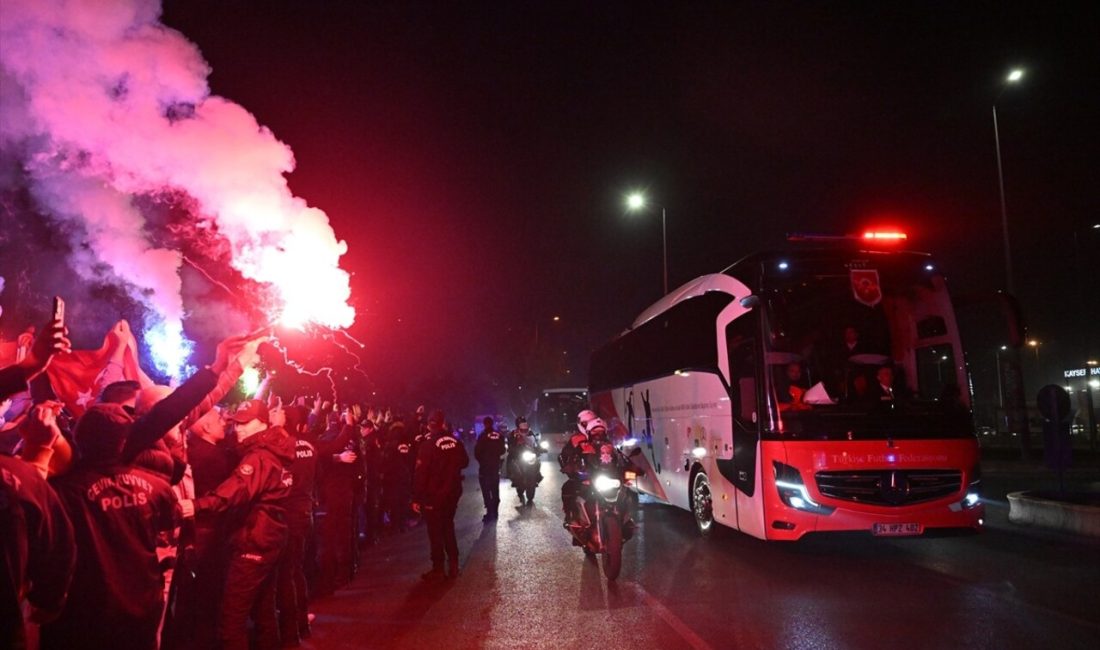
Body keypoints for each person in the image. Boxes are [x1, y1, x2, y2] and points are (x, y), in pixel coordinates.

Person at [41, 404, 179, 650]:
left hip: (84, 611)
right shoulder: (159, 488)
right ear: (123, 442)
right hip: (141, 607)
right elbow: (170, 526)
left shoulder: (62, 491)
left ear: (79, 437)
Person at [178, 399, 296, 650]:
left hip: (254, 540)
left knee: (231, 617)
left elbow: (236, 491)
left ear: (262, 424)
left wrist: (196, 505)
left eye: (245, 423)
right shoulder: (276, 449)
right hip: (270, 537)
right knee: (264, 610)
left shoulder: (258, 458)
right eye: (236, 423)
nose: (238, 429)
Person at [411, 410, 469, 581]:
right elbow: (464, 462)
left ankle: (438, 568)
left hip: (434, 496)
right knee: (448, 527)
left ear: (430, 425)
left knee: (435, 532)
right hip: (453, 493)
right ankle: (453, 564)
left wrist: (416, 498)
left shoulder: (427, 445)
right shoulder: (455, 441)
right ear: (443, 423)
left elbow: (421, 473)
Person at [473, 416, 505, 522]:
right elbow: (503, 450)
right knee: (495, 489)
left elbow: (477, 452)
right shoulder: (498, 435)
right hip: (495, 466)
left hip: (485, 468)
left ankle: (489, 511)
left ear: (484, 424)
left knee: (486, 490)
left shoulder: (482, 436)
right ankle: (495, 511)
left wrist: (482, 462)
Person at [506, 416, 541, 506]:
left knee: (537, 461)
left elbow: (536, 443)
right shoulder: (513, 433)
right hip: (518, 454)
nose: (523, 424)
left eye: (524, 422)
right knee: (510, 459)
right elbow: (510, 444)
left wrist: (539, 448)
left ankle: (537, 474)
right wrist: (512, 448)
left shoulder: (530, 432)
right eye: (521, 422)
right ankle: (509, 474)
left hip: (529, 453)